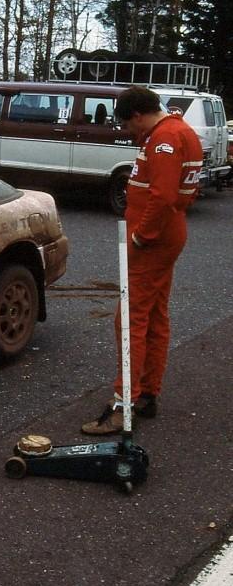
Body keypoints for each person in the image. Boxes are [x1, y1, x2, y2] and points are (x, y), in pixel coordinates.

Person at [82, 85, 203, 435]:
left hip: (153, 240)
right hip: (167, 235)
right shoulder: (179, 132)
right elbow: (185, 192)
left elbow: (164, 197)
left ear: (137, 114)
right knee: (153, 314)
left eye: (128, 124)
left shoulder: (165, 139)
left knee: (129, 319)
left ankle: (124, 405)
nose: (128, 131)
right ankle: (147, 392)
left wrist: (141, 235)